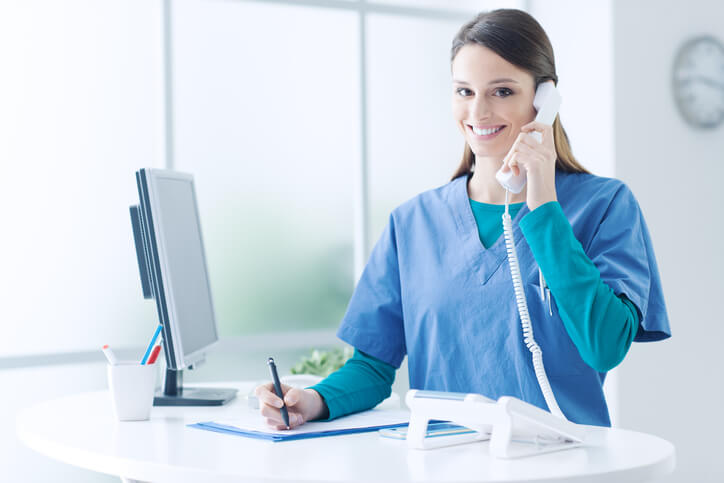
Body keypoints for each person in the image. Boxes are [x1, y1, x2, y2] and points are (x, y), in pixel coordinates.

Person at [255, 8, 670, 430]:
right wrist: (312, 400)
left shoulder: (605, 206)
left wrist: (543, 204)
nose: (479, 111)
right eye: (464, 91)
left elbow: (605, 346)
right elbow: (374, 368)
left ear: (544, 98)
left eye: (502, 91)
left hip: (565, 467)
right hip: (443, 461)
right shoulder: (412, 224)